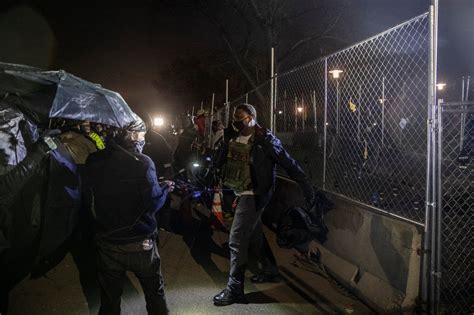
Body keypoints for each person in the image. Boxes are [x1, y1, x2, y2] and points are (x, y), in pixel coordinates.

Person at [213, 103, 315, 306]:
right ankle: (269, 269)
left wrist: (305, 185)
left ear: (251, 117)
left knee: (236, 240)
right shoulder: (233, 138)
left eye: (239, 117)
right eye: (234, 117)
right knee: (254, 234)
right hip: (239, 191)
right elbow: (221, 160)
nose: (235, 121)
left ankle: (235, 289)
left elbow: (288, 163)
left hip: (254, 194)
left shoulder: (265, 141)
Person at [85, 126, 174, 315]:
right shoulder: (143, 162)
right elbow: (152, 202)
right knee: (154, 293)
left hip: (107, 241)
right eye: (142, 135)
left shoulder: (93, 160)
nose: (144, 139)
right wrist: (165, 188)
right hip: (140, 242)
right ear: (132, 135)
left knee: (109, 298)